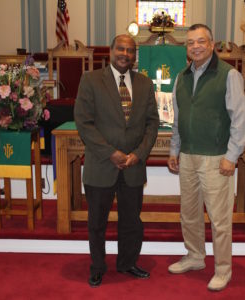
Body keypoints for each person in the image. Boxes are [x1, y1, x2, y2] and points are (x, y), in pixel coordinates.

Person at [167, 24, 245, 291]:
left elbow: (240, 121)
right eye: (190, 43)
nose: (195, 46)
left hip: (216, 159)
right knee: (189, 214)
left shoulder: (229, 75)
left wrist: (231, 156)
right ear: (186, 48)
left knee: (220, 219)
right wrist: (174, 150)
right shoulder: (181, 77)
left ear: (212, 44)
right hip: (188, 156)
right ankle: (195, 256)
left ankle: (223, 269)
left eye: (201, 41)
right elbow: (178, 119)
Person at [74, 34, 159, 287]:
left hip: (133, 166)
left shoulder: (145, 83)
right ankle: (98, 266)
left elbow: (152, 124)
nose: (125, 54)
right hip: (101, 165)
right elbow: (84, 123)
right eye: (121, 49)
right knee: (97, 221)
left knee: (131, 221)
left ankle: (127, 263)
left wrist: (138, 154)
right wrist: (111, 152)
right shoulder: (90, 80)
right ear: (111, 51)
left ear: (135, 55)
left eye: (130, 50)